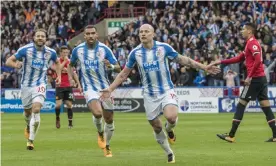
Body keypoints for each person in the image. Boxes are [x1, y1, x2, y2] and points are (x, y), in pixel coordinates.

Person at [100, 24, 220, 163]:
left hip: (166, 90)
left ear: (153, 34)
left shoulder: (164, 48)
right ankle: (169, 152)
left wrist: (204, 67)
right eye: (141, 32)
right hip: (149, 95)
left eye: (146, 31)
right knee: (156, 126)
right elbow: (123, 74)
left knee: (171, 117)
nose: (143, 34)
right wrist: (110, 89)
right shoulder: (135, 53)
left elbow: (184, 60)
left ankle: (169, 129)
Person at [212, 23, 276, 143]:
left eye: (243, 29)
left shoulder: (252, 43)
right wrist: (220, 61)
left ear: (250, 31)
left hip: (255, 79)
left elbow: (258, 60)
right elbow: (238, 58)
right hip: (261, 79)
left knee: (241, 104)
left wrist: (249, 77)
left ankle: (231, 135)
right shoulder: (250, 44)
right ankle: (275, 135)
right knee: (266, 107)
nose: (242, 31)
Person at [67, 25, 121, 157]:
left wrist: (112, 66)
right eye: (88, 34)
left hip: (105, 88)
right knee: (97, 113)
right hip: (89, 88)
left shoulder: (105, 49)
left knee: (109, 120)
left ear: (96, 35)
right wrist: (71, 78)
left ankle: (107, 145)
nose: (90, 36)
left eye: (93, 33)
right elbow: (70, 65)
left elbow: (119, 68)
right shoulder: (78, 50)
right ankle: (100, 133)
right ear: (84, 36)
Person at [5, 28, 61, 150]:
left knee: (36, 109)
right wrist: (16, 65)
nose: (40, 38)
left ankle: (30, 140)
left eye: (42, 36)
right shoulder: (25, 50)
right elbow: (8, 61)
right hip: (26, 85)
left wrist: (59, 76)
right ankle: (28, 125)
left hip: (40, 84)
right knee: (27, 112)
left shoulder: (51, 52)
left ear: (46, 39)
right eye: (38, 36)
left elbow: (57, 63)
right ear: (34, 38)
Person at [54, 46, 81, 129]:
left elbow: (74, 73)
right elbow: (57, 69)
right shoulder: (57, 61)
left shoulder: (70, 62)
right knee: (58, 105)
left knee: (69, 104)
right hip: (59, 86)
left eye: (67, 52)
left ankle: (70, 124)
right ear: (60, 53)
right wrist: (64, 63)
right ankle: (57, 118)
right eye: (64, 52)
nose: (66, 54)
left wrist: (78, 84)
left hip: (68, 86)